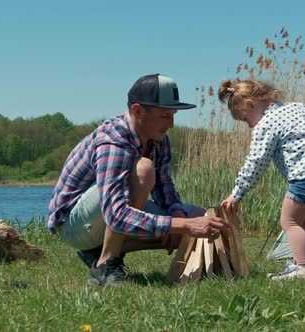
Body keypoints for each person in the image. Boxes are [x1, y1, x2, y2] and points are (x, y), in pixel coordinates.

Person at [47, 74, 230, 286]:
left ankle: (97, 251)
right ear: (137, 111)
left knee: (200, 217)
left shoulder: (158, 140)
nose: (171, 124)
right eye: (164, 116)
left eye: (173, 115)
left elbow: (164, 188)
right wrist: (183, 225)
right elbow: (115, 215)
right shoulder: (113, 140)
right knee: (144, 170)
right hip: (75, 224)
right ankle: (106, 265)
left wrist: (177, 213)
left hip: (105, 217)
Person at [217, 79, 305, 280]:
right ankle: (300, 264)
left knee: (290, 221)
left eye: (246, 119)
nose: (249, 126)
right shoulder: (299, 107)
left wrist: (237, 193)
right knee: (302, 222)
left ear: (250, 104)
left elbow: (256, 162)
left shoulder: (267, 123)